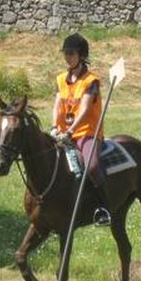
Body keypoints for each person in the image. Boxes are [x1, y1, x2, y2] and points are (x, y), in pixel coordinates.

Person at [50, 33, 111, 226]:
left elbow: (84, 110)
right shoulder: (60, 79)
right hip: (62, 134)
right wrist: (54, 128)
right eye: (65, 53)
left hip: (87, 133)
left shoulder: (91, 81)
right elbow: (57, 106)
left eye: (71, 53)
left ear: (81, 55)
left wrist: (70, 131)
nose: (67, 57)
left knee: (91, 166)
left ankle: (103, 207)